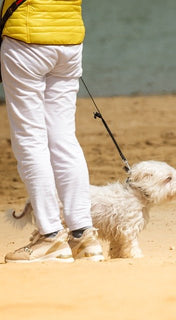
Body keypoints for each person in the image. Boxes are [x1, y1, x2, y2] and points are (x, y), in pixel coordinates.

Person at [1, 0, 105, 263]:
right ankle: (84, 237)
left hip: (26, 37)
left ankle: (50, 236)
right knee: (64, 138)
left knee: (30, 140)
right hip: (69, 39)